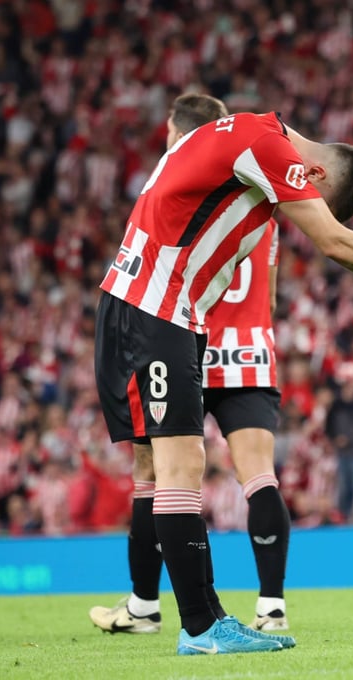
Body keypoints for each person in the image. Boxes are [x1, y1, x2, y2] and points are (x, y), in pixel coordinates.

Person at [94, 94, 353, 656]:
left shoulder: (241, 138)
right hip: (153, 310)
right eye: (306, 199)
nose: (295, 209)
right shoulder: (266, 146)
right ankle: (199, 628)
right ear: (312, 174)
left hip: (163, 311)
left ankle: (205, 618)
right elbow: (333, 241)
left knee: (181, 465)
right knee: (179, 466)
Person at [90, 95, 297, 640]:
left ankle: (145, 604)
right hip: (251, 349)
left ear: (178, 134)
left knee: (158, 471)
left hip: (183, 337)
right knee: (259, 475)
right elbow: (270, 295)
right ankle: (271, 605)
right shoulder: (265, 201)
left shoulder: (183, 182)